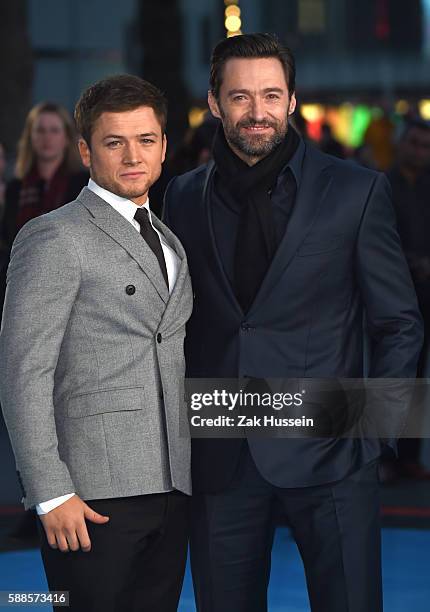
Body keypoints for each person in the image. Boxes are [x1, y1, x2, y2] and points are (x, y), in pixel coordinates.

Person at [163, 33, 423, 612]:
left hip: (333, 450)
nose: (257, 112)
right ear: (213, 101)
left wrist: (372, 434)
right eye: (240, 97)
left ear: (292, 100)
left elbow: (400, 323)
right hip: (221, 450)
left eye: (271, 95)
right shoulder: (180, 197)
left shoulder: (356, 191)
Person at [0, 74, 193, 612]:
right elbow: (23, 371)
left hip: (171, 485)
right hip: (88, 497)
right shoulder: (53, 235)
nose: (133, 156)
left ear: (163, 146)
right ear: (85, 150)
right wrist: (49, 491)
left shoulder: (169, 238)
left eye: (146, 140)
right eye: (115, 142)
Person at [0, 102, 88, 318]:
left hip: (70, 290)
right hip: (20, 289)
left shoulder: (83, 185)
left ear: (66, 137)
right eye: (40, 130)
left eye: (54, 130)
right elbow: (8, 241)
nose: (47, 138)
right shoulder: (16, 189)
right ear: (30, 136)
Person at [386, 118, 430, 479]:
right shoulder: (382, 186)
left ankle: (409, 457)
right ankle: (384, 456)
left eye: (425, 146)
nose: (419, 152)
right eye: (414, 143)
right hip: (392, 297)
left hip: (425, 297)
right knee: (390, 377)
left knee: (417, 380)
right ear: (400, 145)